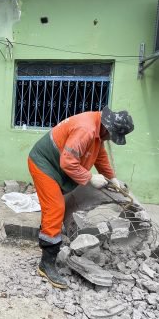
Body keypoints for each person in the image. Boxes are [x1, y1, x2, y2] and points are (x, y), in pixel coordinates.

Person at [28, 107, 134, 288]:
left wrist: (112, 177)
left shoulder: (97, 129)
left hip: (55, 165)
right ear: (109, 129)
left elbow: (99, 156)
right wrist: (90, 178)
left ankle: (48, 236)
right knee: (55, 208)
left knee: (53, 209)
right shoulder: (86, 129)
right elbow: (67, 162)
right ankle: (46, 263)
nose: (110, 140)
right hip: (43, 163)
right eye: (112, 136)